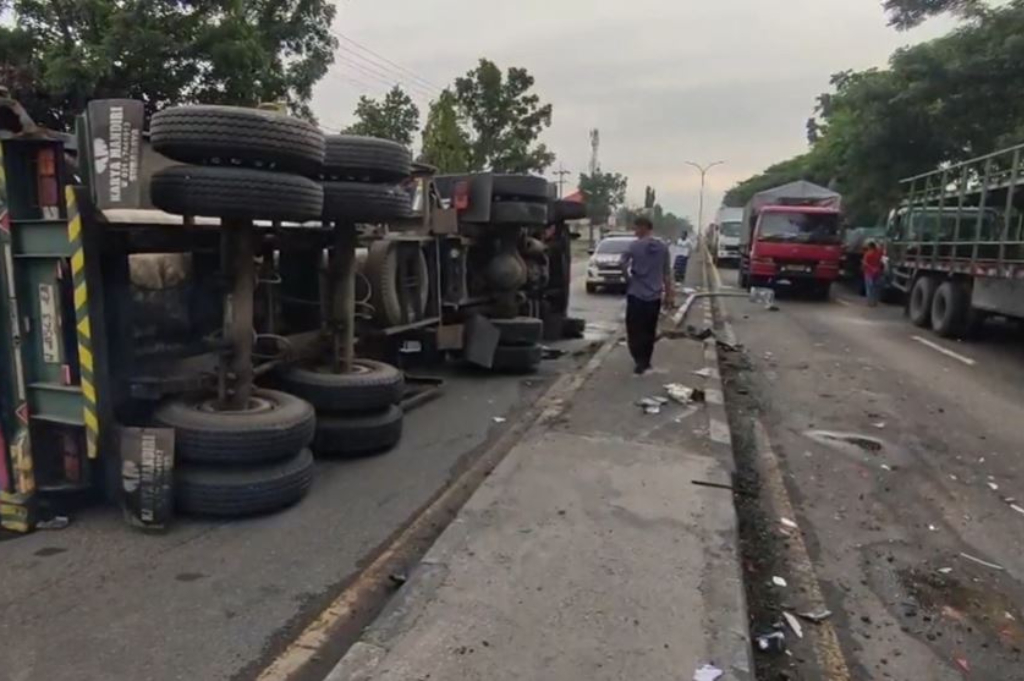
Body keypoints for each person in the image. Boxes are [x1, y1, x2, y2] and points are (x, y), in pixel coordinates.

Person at [621, 216, 675, 375]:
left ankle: (638, 359)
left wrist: (628, 278)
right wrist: (669, 295)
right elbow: (666, 273)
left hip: (636, 294)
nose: (635, 231)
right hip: (654, 296)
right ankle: (646, 360)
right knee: (649, 330)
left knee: (634, 329)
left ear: (643, 227)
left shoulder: (634, 246)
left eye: (636, 228)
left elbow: (622, 262)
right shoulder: (663, 247)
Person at [862, 241, 883, 307]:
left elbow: (865, 263)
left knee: (869, 288)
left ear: (870, 247)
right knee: (875, 288)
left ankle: (870, 302)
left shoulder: (867, 254)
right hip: (877, 272)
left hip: (869, 272)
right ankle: (875, 302)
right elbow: (882, 259)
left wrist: (867, 268)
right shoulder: (878, 253)